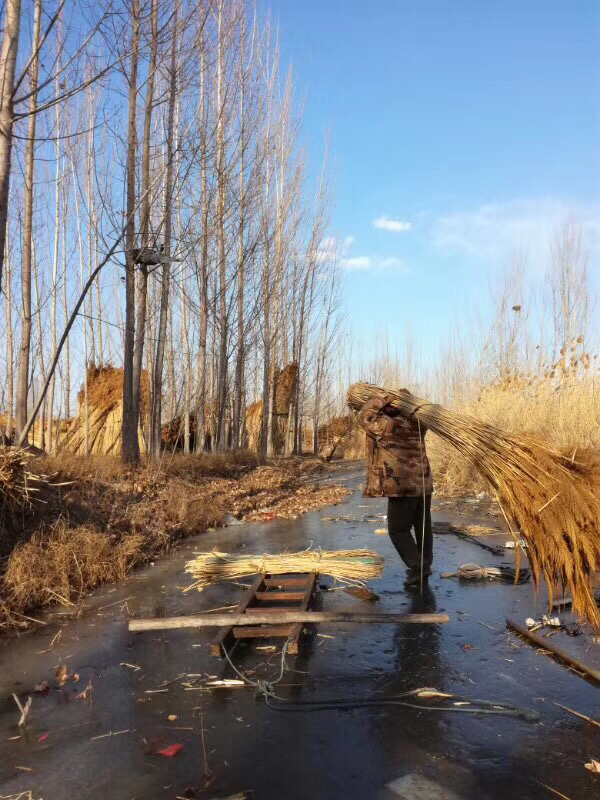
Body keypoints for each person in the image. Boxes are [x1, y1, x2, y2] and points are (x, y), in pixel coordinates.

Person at [356, 390, 433, 588]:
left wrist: (377, 399)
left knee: (398, 530)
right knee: (422, 527)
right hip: (422, 483)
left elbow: (364, 417)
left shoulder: (391, 424)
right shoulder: (418, 423)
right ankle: (423, 568)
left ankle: (418, 568)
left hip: (403, 485)